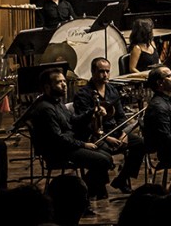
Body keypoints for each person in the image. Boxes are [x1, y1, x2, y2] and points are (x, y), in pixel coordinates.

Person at [28, 68, 114, 198]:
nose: (64, 85)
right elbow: (57, 139)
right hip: (58, 151)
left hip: (68, 145)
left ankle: (92, 191)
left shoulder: (57, 103)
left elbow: (73, 120)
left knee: (107, 155)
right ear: (47, 87)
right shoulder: (45, 108)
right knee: (103, 160)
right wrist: (83, 145)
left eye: (64, 81)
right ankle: (80, 195)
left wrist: (92, 112)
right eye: (59, 82)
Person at [70, 57, 145, 193]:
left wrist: (123, 134)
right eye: (101, 71)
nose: (105, 75)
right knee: (104, 154)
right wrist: (107, 138)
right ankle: (93, 187)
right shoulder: (83, 94)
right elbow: (83, 124)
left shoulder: (112, 90)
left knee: (140, 143)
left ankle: (122, 179)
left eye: (107, 71)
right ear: (93, 72)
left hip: (114, 132)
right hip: (94, 136)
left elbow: (121, 117)